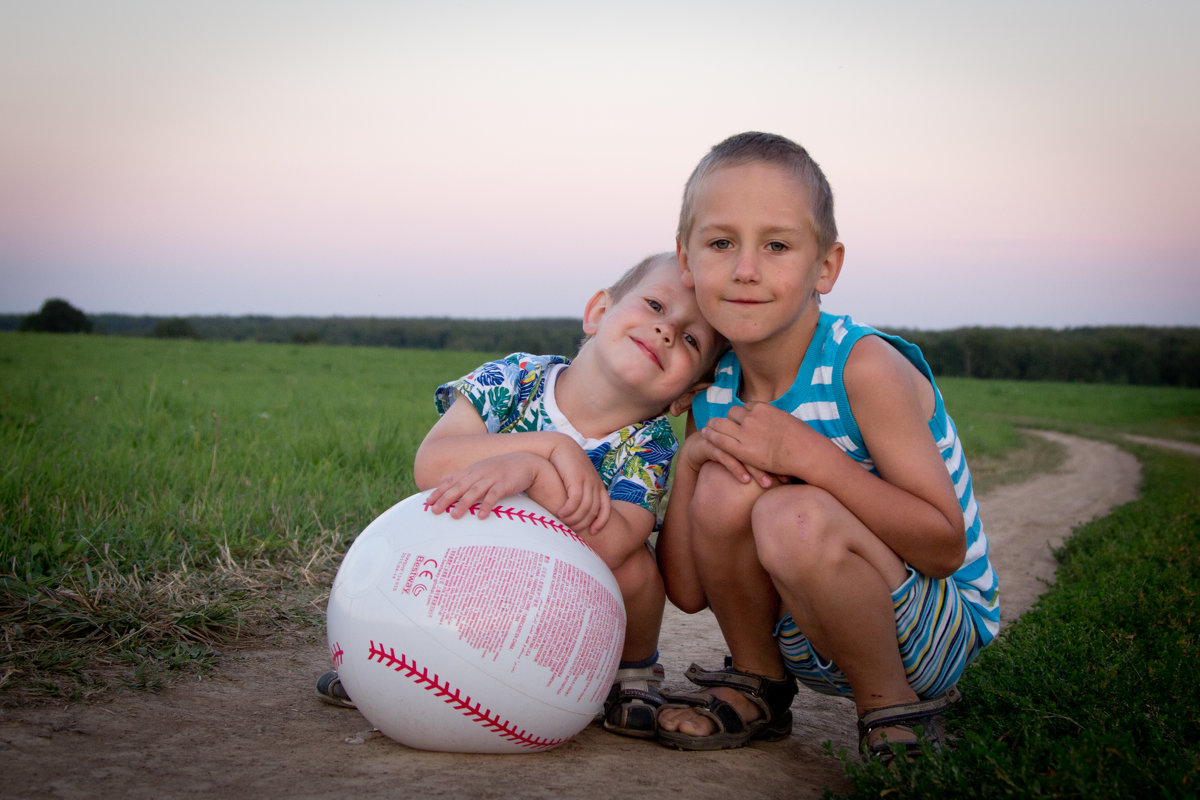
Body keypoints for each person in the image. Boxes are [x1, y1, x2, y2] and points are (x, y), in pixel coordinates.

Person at [653, 132, 1000, 761]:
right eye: (721, 242)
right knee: (729, 482)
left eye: (778, 245)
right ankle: (758, 684)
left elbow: (944, 546)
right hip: (804, 632)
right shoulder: (716, 391)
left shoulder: (863, 367)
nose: (746, 268)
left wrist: (809, 458)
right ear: (686, 259)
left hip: (932, 632)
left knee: (795, 514)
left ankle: (893, 712)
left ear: (826, 267)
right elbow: (688, 592)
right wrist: (690, 463)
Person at [317, 252, 726, 739]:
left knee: (637, 568)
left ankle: (633, 672)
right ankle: (395, 648)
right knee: (430, 518)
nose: (666, 331)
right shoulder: (513, 379)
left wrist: (536, 474)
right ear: (598, 311)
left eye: (691, 339)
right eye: (656, 305)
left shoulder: (648, 442)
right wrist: (548, 447)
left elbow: (614, 543)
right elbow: (430, 464)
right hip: (478, 563)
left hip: (570, 590)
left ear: (686, 395)